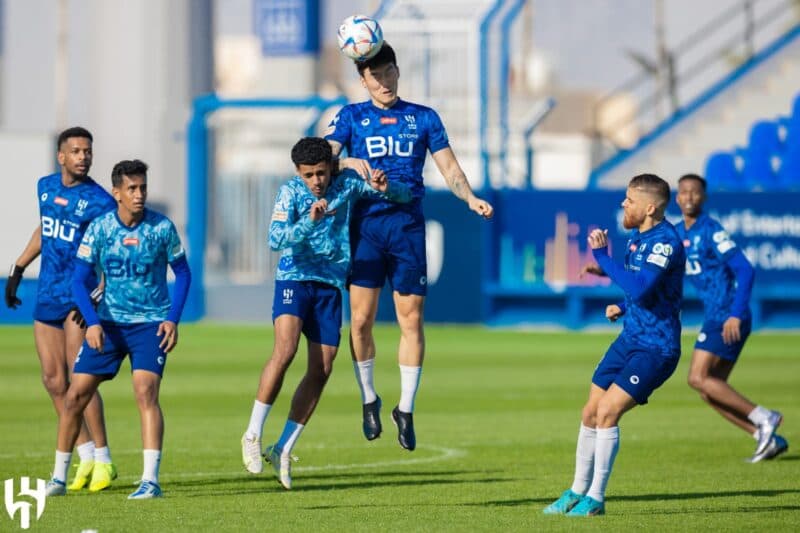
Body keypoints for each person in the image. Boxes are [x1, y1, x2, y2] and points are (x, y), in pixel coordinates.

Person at [324, 43, 494, 451]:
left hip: (407, 228)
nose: (383, 81)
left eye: (388, 72)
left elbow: (449, 167)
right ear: (362, 80)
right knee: (361, 320)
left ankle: (406, 408)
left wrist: (469, 198)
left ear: (398, 72)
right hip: (365, 227)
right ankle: (369, 397)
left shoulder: (422, 117)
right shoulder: (350, 117)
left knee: (410, 319)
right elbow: (323, 158)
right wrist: (350, 163)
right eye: (374, 75)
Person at [240, 137, 411, 489]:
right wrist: (309, 222)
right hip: (294, 277)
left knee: (323, 368)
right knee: (285, 350)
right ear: (297, 173)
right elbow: (274, 239)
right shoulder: (290, 193)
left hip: (329, 285)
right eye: (308, 175)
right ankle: (253, 433)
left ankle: (283, 447)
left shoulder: (346, 183)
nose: (316, 181)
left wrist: (386, 186)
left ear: (331, 167)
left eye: (320, 173)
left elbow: (403, 197)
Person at [44, 159, 191, 499]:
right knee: (74, 397)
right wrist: (92, 323)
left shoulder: (161, 228)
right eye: (132, 189)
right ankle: (58, 479)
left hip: (150, 325)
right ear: (117, 192)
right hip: (108, 325)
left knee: (145, 393)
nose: (139, 195)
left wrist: (172, 319)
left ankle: (150, 481)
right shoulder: (99, 229)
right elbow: (80, 281)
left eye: (143, 188)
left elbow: (183, 274)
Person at [543, 174, 685, 517]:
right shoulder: (638, 238)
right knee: (590, 412)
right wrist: (621, 306)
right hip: (629, 338)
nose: (624, 204)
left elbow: (641, 287)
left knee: (607, 412)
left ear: (649, 207)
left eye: (629, 199)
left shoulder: (666, 242)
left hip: (656, 348)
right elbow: (646, 291)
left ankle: (596, 498)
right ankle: (576, 490)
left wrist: (604, 259)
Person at [4, 127, 119, 492]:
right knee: (53, 381)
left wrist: (100, 291)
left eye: (88, 151)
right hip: (47, 294)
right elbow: (46, 230)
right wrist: (19, 268)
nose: (83, 156)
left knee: (79, 378)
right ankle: (84, 454)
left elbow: (116, 248)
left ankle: (104, 458)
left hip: (78, 298)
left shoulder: (100, 201)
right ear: (61, 156)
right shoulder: (45, 187)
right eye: (76, 151)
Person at [676, 173, 787, 462]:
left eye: (695, 192)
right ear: (676, 197)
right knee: (710, 390)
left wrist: (736, 314)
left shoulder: (711, 229)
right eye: (684, 192)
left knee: (697, 378)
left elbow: (745, 269)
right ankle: (764, 436)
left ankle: (765, 417)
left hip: (727, 314)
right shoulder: (677, 234)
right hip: (715, 315)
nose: (689, 197)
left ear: (704, 198)